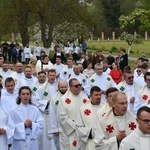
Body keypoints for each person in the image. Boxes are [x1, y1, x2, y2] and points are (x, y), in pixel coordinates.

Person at [57, 78, 89, 149]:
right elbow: (62, 118)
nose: (79, 87)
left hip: (83, 132)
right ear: (70, 87)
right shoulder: (64, 99)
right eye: (76, 86)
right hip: (71, 132)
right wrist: (76, 127)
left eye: (80, 85)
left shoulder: (85, 98)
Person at [33, 69, 58, 150]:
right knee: (45, 140)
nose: (52, 77)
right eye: (50, 75)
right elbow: (36, 101)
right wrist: (47, 102)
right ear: (47, 76)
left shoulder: (59, 87)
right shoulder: (41, 88)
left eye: (53, 75)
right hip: (46, 114)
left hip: (57, 114)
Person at [49, 80, 68, 150]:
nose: (64, 89)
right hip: (59, 127)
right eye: (62, 87)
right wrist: (54, 128)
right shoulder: (54, 99)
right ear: (58, 87)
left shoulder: (70, 97)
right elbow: (52, 114)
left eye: (65, 87)